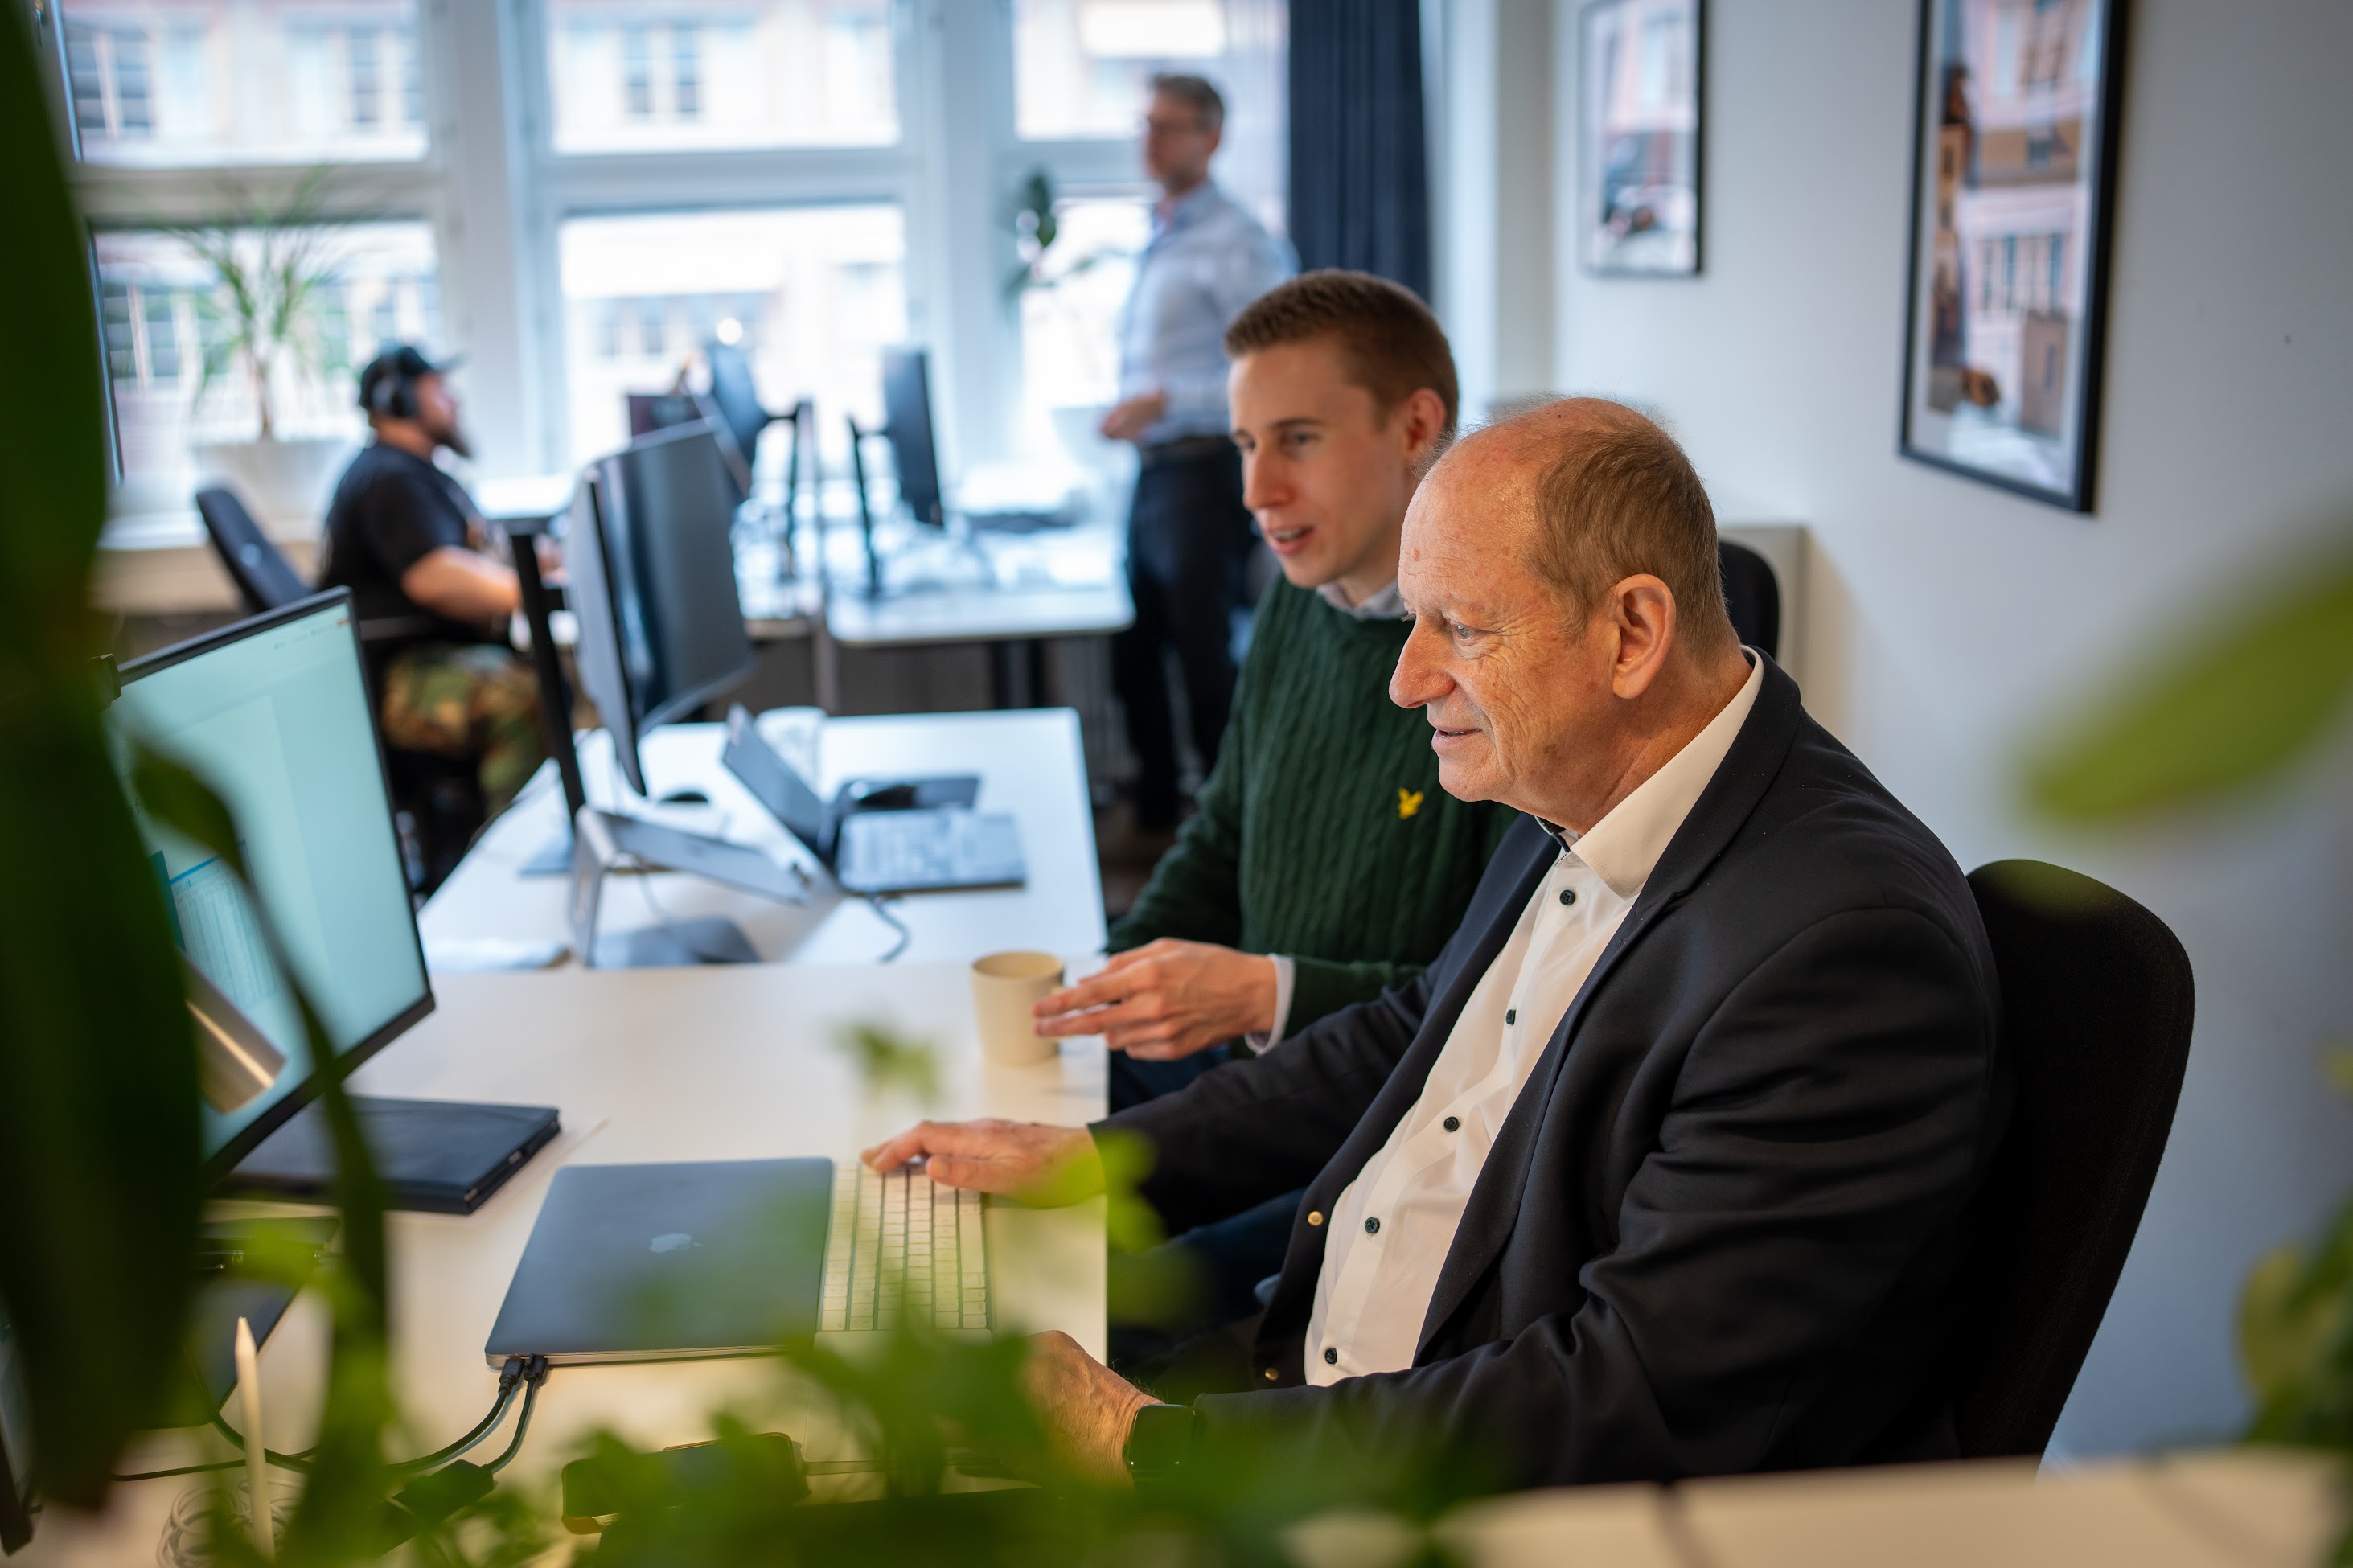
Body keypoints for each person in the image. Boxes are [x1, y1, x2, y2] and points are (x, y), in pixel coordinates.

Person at [865, 399, 2013, 1492]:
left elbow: (1632, 1394)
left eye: (1458, 626)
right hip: (1319, 1389)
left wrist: (1147, 1444)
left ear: (1631, 634)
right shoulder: (1581, 777)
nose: (1405, 678)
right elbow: (1415, 1032)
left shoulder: (1841, 953)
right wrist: (1102, 1159)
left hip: (1457, 1483)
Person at [1102, 72, 1294, 830]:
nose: (1150, 139)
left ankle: (1230, 829)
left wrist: (1168, 403)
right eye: (1146, 123)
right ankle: (1158, 822)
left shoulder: (1238, 241)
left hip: (1205, 472)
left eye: (1168, 126)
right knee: (1136, 652)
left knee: (1205, 663)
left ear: (1211, 138)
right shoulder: (1164, 231)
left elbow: (1275, 371)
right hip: (1153, 472)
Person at [317, 346, 544, 813]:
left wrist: (542, 563)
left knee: (542, 675)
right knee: (521, 697)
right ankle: (509, 857)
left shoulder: (417, 472)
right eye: (439, 389)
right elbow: (435, 578)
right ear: (399, 400)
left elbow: (475, 549)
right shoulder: (389, 479)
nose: (454, 401)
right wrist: (534, 592)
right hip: (395, 676)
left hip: (423, 655)